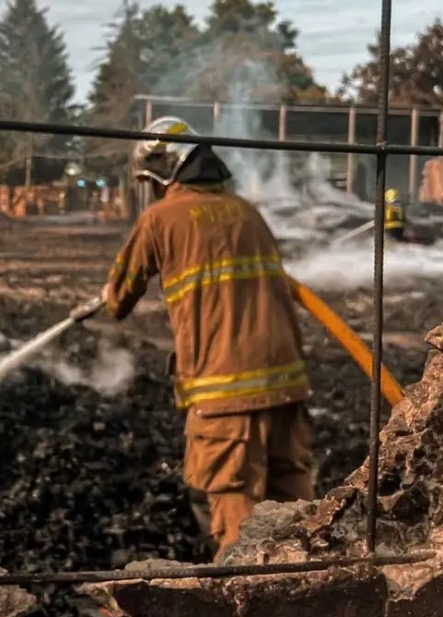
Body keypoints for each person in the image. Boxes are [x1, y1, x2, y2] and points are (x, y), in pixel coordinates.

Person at [96, 116, 315, 561]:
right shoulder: (247, 213)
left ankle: (246, 603)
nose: (153, 191)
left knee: (231, 508)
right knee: (296, 509)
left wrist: (106, 292)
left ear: (164, 171)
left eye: (151, 181)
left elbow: (118, 299)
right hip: (286, 386)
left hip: (224, 395)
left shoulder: (160, 219)